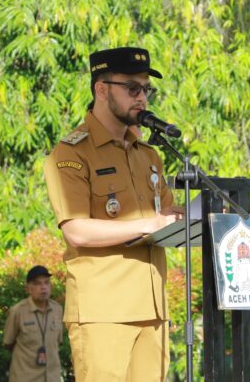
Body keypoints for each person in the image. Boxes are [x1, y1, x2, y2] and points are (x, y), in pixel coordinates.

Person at [43, 46, 182, 382]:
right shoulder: (72, 152)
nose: (142, 98)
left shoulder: (147, 154)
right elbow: (76, 230)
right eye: (132, 88)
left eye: (146, 89)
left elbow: (166, 213)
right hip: (104, 313)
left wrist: (195, 216)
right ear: (101, 89)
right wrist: (152, 222)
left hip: (152, 310)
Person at [3, 265, 64, 382]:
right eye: (37, 283)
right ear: (28, 288)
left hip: (52, 377)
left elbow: (58, 342)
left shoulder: (57, 310)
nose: (43, 287)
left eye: (46, 283)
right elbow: (8, 343)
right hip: (25, 377)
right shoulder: (18, 311)